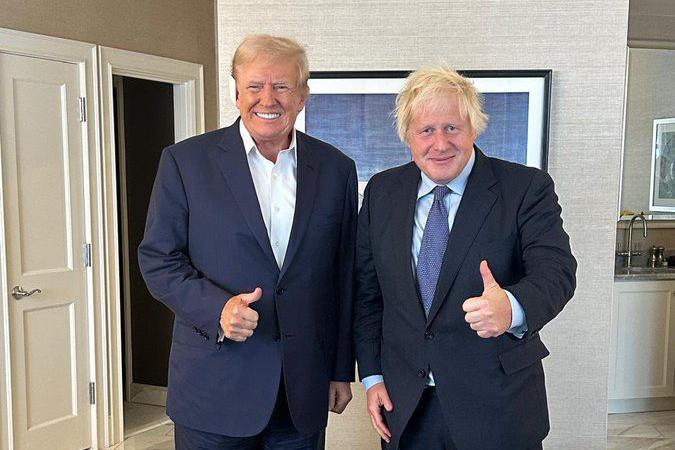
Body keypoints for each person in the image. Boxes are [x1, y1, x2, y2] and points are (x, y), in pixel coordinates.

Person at [138, 34, 357, 449]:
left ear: (302, 95)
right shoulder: (185, 162)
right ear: (237, 93)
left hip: (301, 391)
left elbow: (344, 276)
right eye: (255, 86)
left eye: (282, 86)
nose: (267, 99)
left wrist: (340, 369)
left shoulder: (336, 169)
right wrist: (217, 308)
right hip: (213, 389)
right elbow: (158, 259)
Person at [354, 65, 577, 450]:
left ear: (474, 128)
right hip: (407, 406)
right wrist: (372, 377)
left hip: (498, 406)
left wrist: (510, 307)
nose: (440, 144)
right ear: (408, 135)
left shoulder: (525, 188)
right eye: (426, 130)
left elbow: (557, 272)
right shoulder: (381, 192)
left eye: (452, 128)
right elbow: (368, 295)